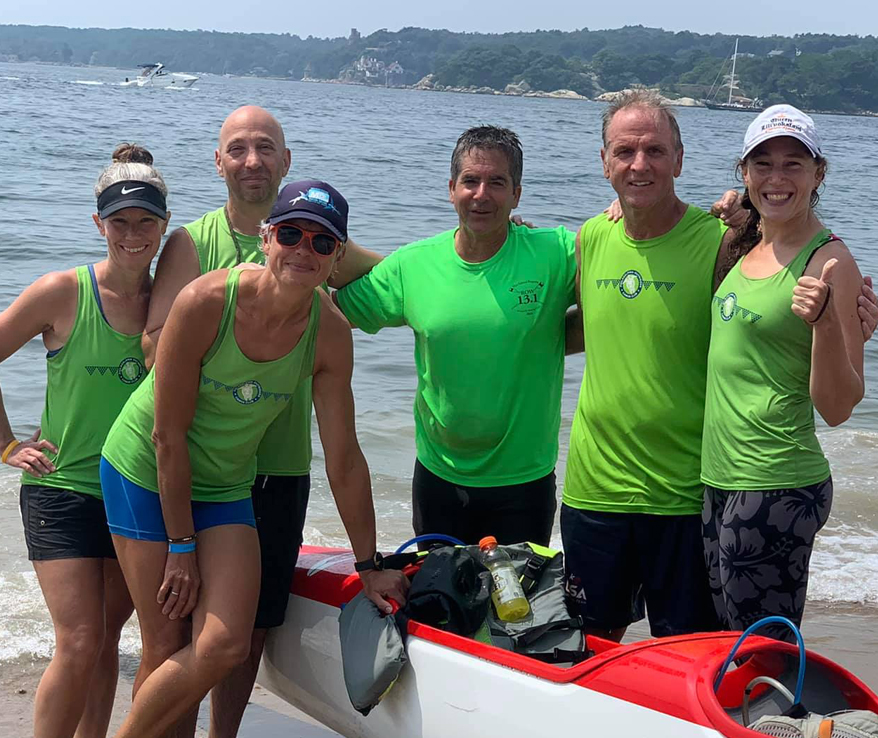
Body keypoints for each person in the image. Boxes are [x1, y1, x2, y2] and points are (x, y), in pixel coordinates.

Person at [561, 90, 878, 643]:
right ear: (604, 161)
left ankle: (776, 728)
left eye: (656, 151)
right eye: (625, 152)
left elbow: (827, 388)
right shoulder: (595, 236)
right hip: (626, 488)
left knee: (718, 652)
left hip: (709, 488)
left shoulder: (731, 243)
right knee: (594, 646)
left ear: (681, 161)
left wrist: (838, 324)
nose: (640, 165)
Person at [100, 180, 408, 738]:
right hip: (144, 471)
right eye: (290, 233)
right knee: (167, 638)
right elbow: (167, 437)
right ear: (265, 238)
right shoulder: (206, 301)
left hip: (223, 482)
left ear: (338, 256)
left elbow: (343, 457)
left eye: (321, 243)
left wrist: (368, 565)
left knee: (222, 645)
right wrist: (181, 545)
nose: (302, 250)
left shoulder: (330, 335)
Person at [334, 125, 577, 547]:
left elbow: (626, 270)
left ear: (516, 194)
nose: (481, 194)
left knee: (515, 612)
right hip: (438, 479)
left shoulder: (556, 252)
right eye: (470, 181)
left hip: (524, 483)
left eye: (497, 182)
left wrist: (620, 209)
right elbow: (332, 314)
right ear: (451, 189)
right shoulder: (413, 265)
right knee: (437, 609)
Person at [0, 144, 169, 738]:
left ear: (163, 224)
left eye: (146, 222)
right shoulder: (61, 291)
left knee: (105, 642)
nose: (133, 234)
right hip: (61, 489)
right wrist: (6, 445)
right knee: (78, 640)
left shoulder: (169, 306)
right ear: (98, 223)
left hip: (132, 492)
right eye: (119, 222)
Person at [700, 105, 864, 638]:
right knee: (725, 643)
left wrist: (824, 327)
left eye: (793, 163)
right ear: (743, 173)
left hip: (776, 482)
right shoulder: (749, 241)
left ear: (819, 173)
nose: (776, 178)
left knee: (760, 652)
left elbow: (839, 408)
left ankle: (787, 722)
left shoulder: (830, 262)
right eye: (762, 163)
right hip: (719, 478)